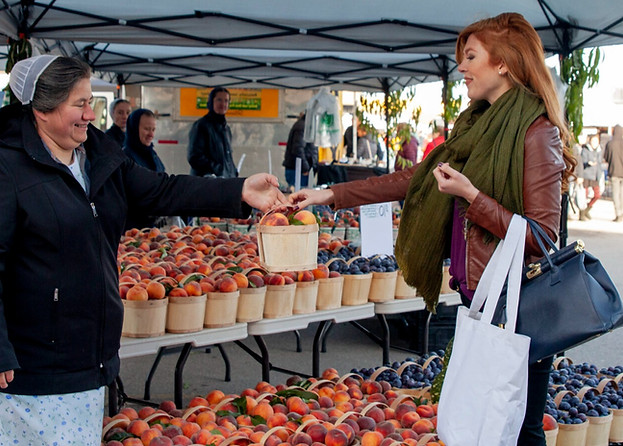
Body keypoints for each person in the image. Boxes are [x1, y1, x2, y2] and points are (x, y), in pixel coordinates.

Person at [290, 12, 574, 445]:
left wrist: (472, 198)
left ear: (502, 63)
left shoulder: (537, 133)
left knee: (521, 428)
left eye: (471, 56)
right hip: (479, 297)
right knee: (483, 420)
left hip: (518, 306)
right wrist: (330, 195)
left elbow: (542, 237)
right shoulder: (473, 126)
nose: (461, 66)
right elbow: (415, 177)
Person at [0, 55, 286, 445]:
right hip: (33, 364)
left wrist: (239, 191)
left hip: (89, 354)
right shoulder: (8, 167)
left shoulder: (99, 157)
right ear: (42, 109)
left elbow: (165, 190)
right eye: (79, 104)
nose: (90, 114)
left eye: (91, 103)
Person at [122, 108, 167, 229]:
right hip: (132, 229)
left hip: (151, 228)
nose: (151, 134)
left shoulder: (152, 154)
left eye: (153, 129)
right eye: (146, 129)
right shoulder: (125, 158)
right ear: (134, 129)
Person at [187, 86, 237, 178]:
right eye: (219, 100)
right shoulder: (201, 125)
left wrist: (233, 172)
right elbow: (194, 157)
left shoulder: (226, 129)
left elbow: (227, 158)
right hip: (207, 182)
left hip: (225, 180)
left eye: (226, 101)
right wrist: (218, 170)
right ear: (211, 102)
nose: (223, 104)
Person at [283, 112, 318, 190]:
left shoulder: (305, 126)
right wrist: (305, 168)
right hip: (298, 170)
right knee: (298, 197)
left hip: (300, 169)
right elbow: (298, 149)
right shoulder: (303, 127)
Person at [579, 134, 603, 220]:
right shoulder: (585, 150)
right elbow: (582, 161)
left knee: (597, 195)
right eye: (593, 141)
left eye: (596, 142)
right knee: (584, 195)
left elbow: (600, 164)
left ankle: (587, 209)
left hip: (595, 175)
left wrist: (600, 175)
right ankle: (581, 213)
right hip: (586, 174)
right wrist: (587, 163)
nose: (595, 143)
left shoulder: (599, 151)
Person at [604, 125, 623, 222]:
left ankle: (618, 214)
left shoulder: (610, 144)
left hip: (614, 171)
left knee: (616, 193)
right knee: (622, 193)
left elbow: (606, 158)